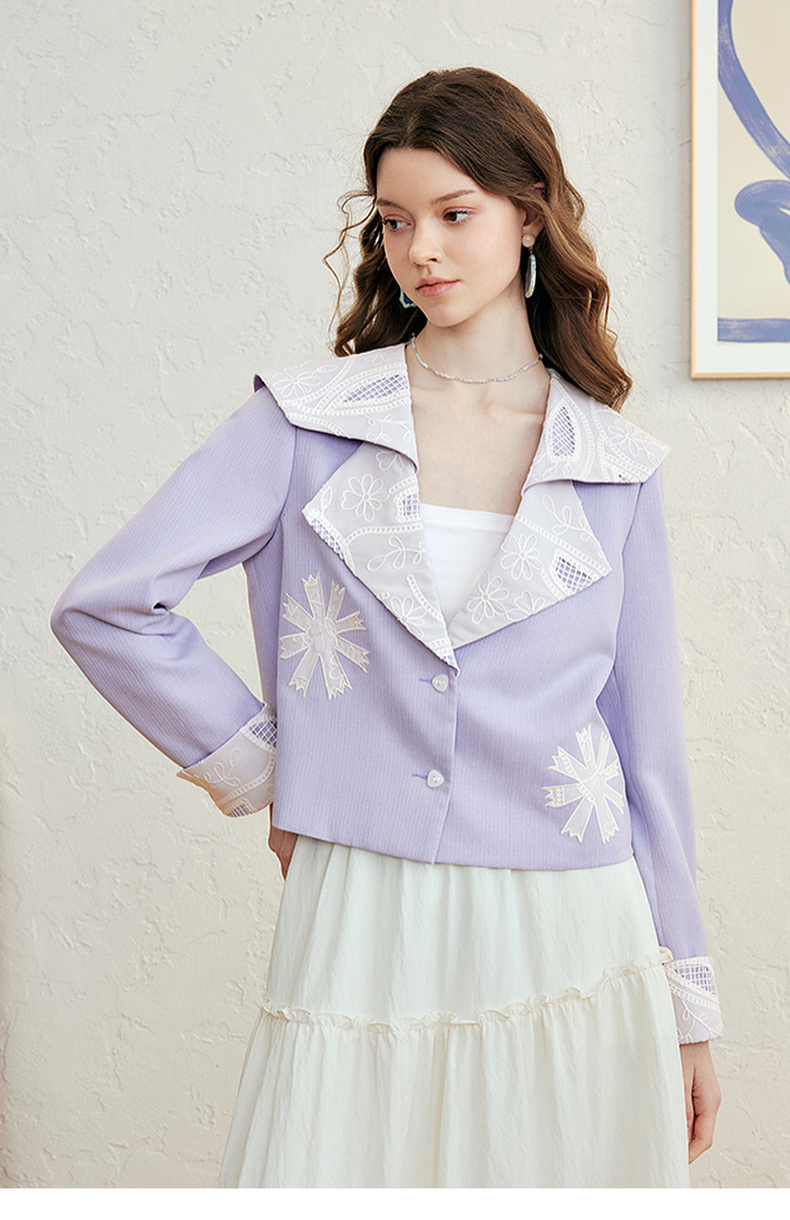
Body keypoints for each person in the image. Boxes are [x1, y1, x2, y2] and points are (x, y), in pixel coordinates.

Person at [51, 67, 723, 1188]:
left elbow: (647, 749)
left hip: (575, 914)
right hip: (365, 897)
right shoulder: (303, 422)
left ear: (528, 216)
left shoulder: (614, 463)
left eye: (455, 214)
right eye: (397, 221)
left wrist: (690, 1002)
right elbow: (108, 605)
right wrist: (272, 769)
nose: (423, 251)